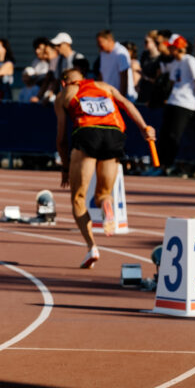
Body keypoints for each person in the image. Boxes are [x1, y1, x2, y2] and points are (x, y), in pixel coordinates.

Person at [54, 67, 155, 268]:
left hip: (87, 132)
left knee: (79, 197)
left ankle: (92, 246)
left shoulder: (64, 94)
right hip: (113, 134)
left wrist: (65, 167)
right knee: (102, 194)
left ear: (64, 82)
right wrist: (144, 128)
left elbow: (61, 139)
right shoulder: (104, 86)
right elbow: (126, 104)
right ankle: (106, 205)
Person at [155, 34, 195, 173]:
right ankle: (160, 165)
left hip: (185, 104)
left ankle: (168, 165)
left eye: (172, 48)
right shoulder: (175, 63)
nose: (170, 50)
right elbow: (172, 82)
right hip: (172, 102)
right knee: (164, 135)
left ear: (179, 48)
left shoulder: (190, 61)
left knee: (174, 136)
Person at [96, 29, 138, 101]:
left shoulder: (120, 52)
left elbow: (124, 76)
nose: (98, 45)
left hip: (122, 98)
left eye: (100, 42)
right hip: (108, 97)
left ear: (109, 40)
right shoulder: (103, 53)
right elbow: (101, 74)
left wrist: (121, 98)